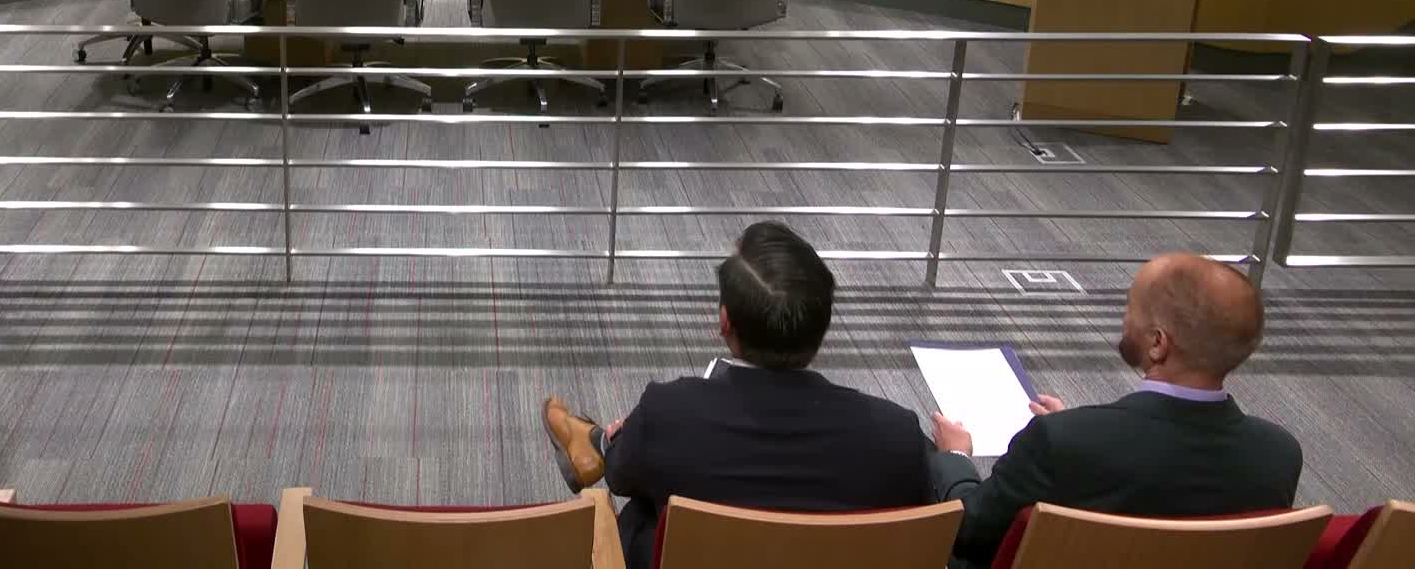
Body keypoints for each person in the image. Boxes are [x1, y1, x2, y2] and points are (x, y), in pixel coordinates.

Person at [542, 222, 930, 569]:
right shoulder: (897, 435)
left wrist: (629, 443)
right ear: (824, 325)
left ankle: (601, 442)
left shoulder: (671, 413)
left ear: (725, 322)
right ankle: (601, 442)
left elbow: (620, 479)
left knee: (645, 495)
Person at [931, 254, 1302, 569]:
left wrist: (956, 456)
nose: (1124, 319)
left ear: (1157, 343)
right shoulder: (1278, 455)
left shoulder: (1059, 443)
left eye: (1130, 307)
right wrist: (1078, 428)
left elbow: (967, 532)